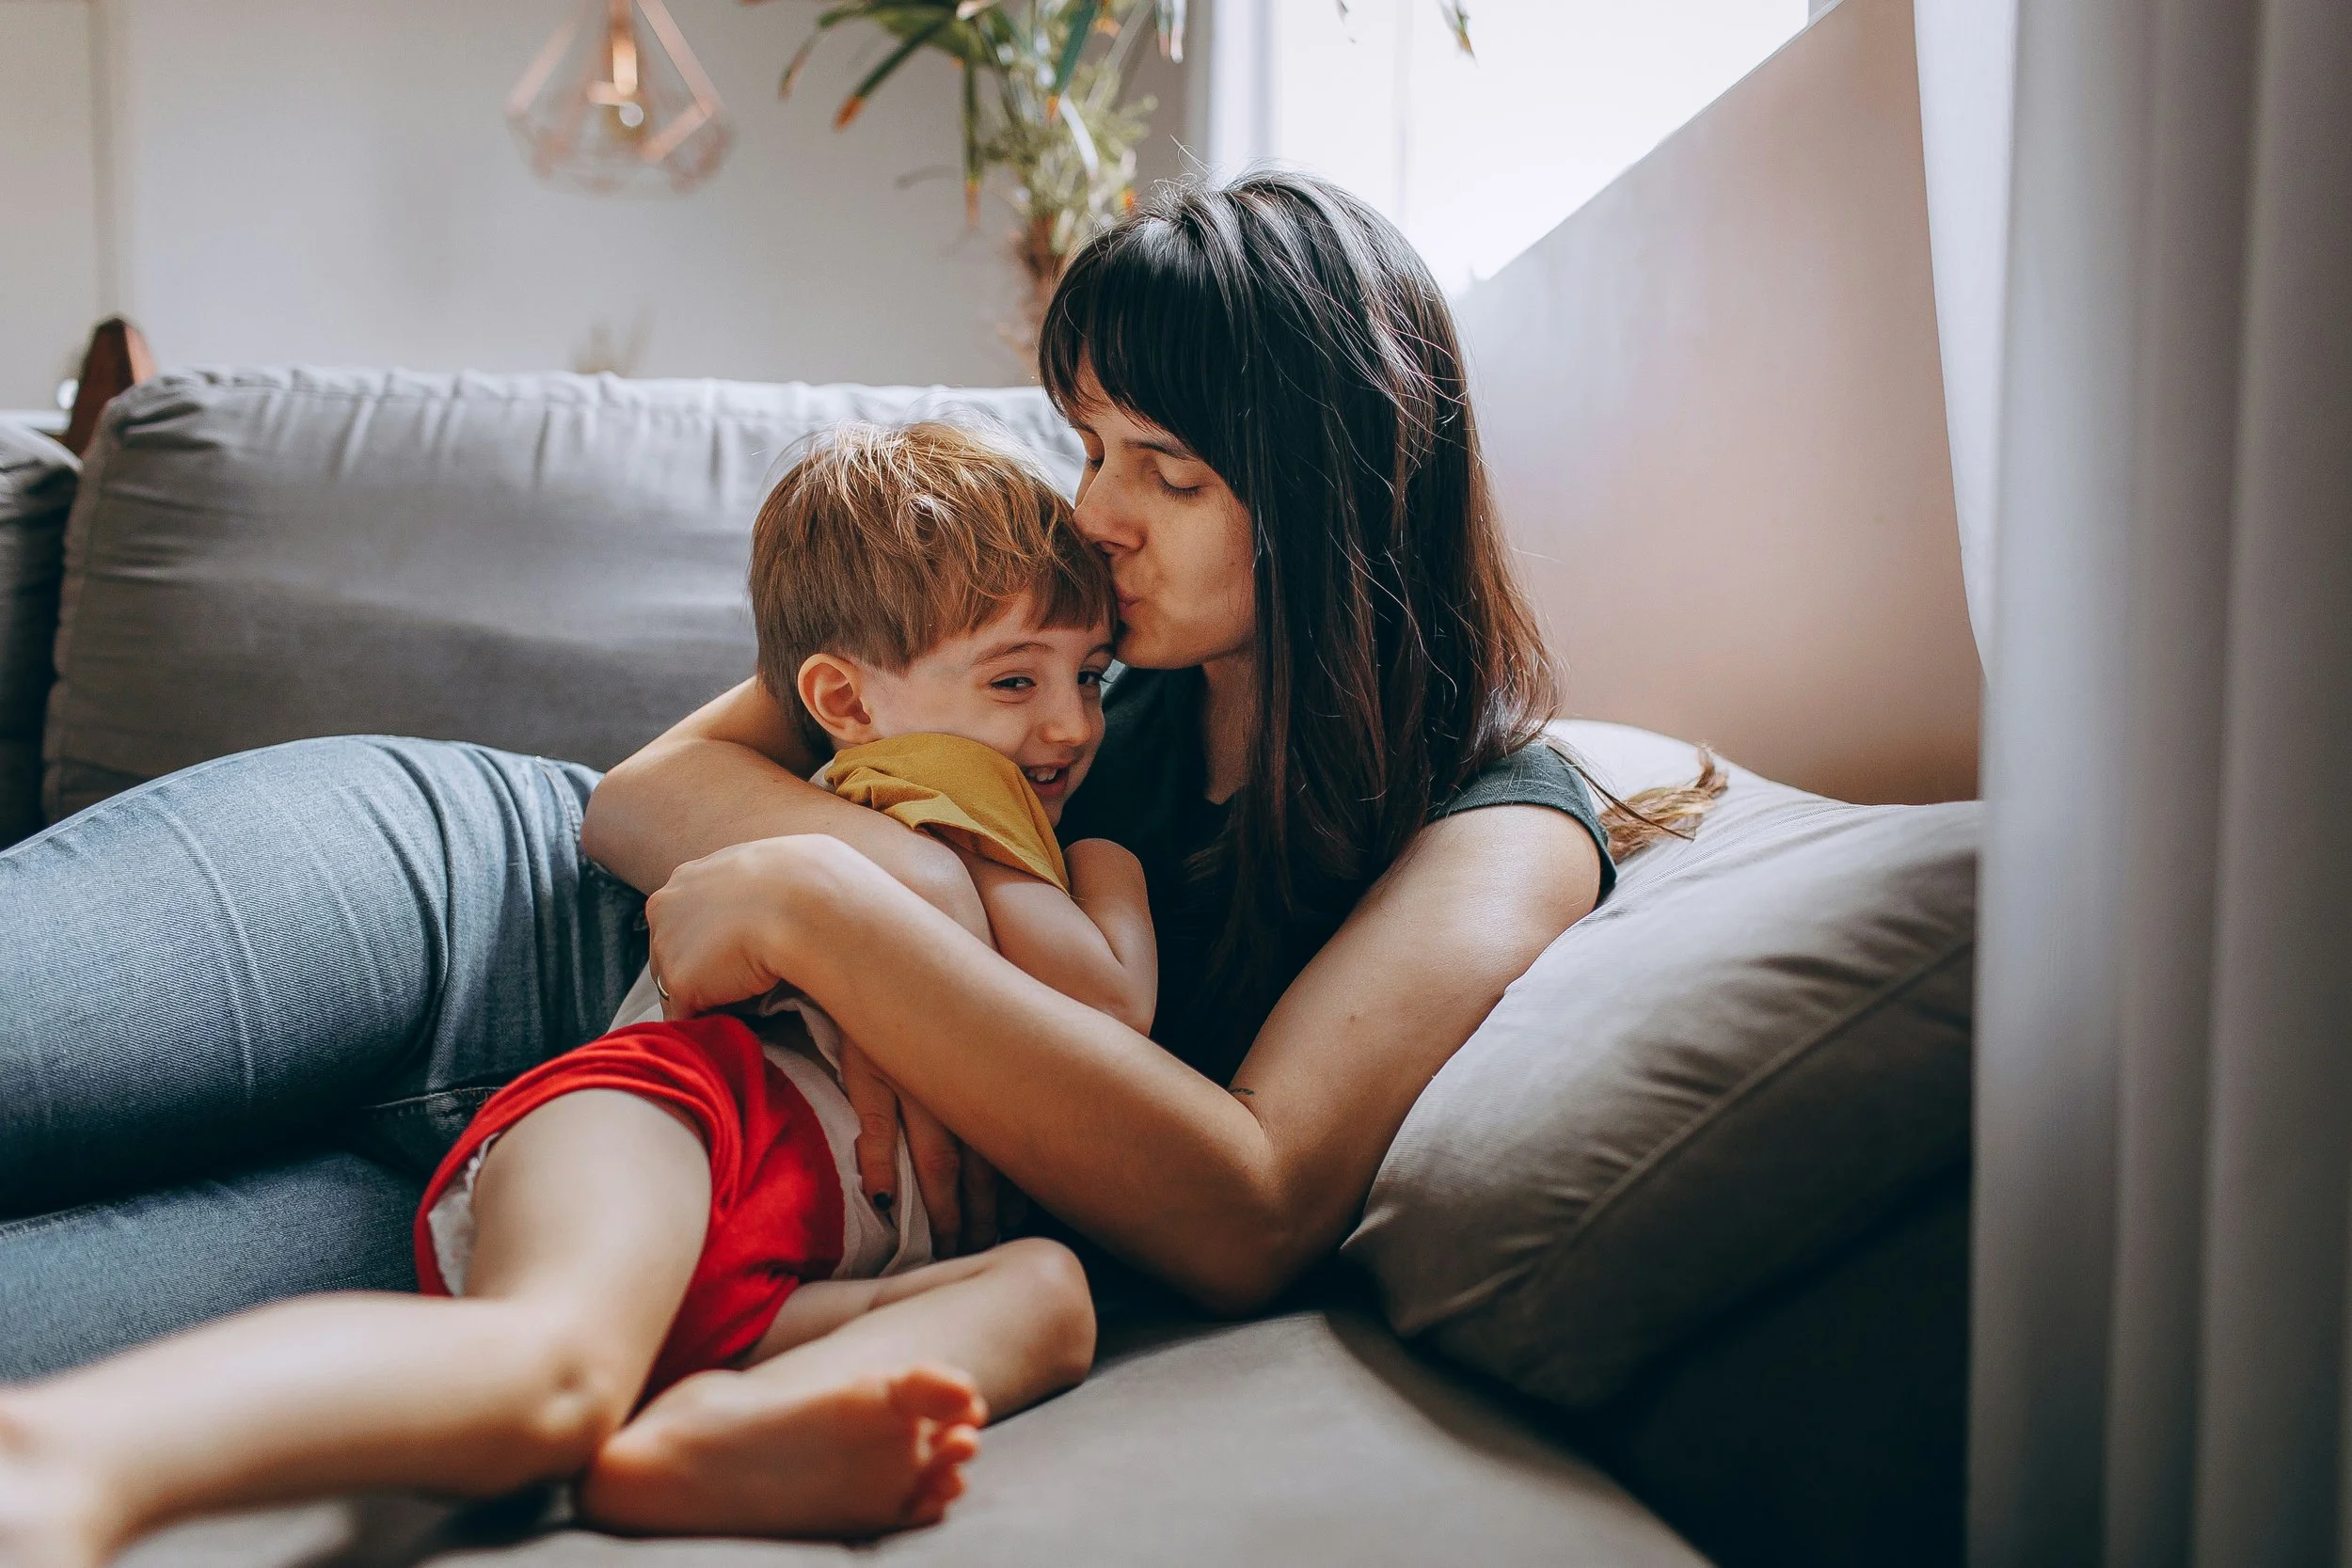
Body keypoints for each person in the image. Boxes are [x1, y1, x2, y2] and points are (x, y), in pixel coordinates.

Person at [0, 169, 1710, 1493]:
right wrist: (900, 894)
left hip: (635, 1198)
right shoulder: (1077, 671)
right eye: (1091, 445)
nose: (1097, 515)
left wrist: (830, 925)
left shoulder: (1501, 823)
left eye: (1171, 471)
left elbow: (1246, 1205)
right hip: (470, 908)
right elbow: (640, 803)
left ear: (1339, 483)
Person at [0, 423, 1144, 1562]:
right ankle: (73, 1457)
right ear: (842, 702)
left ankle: (706, 1428)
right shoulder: (897, 782)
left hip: (805, 1251)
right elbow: (1101, 1011)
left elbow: (1111, 1084)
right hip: (668, 1105)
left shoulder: (1044, 819)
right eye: (1015, 679)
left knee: (1050, 1295)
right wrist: (1019, 872)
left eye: (1092, 676)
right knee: (542, 1370)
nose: (1071, 723)